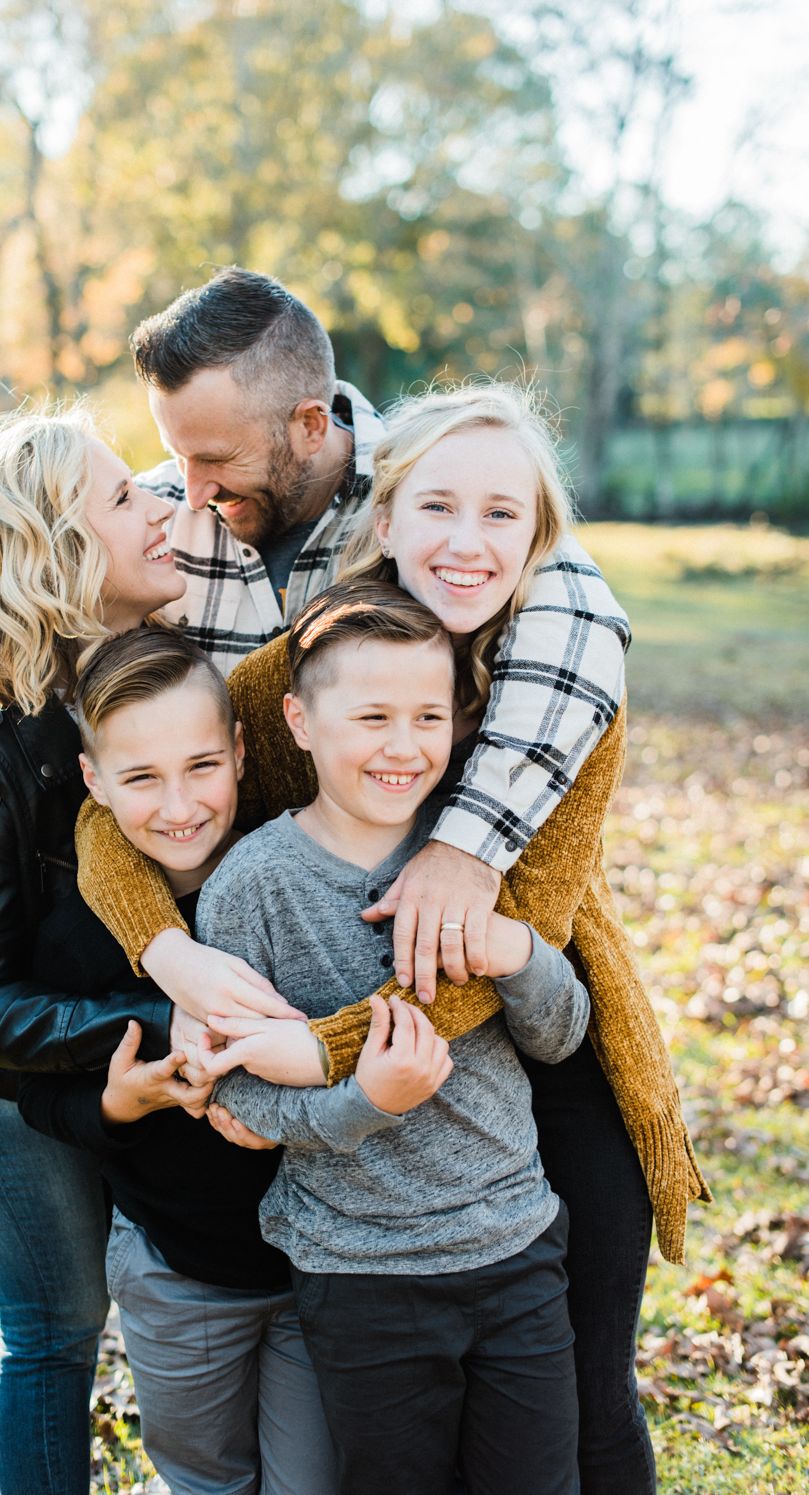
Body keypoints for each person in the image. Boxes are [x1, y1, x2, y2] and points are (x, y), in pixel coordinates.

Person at [76, 383, 710, 1495]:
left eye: (502, 518)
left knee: (584, 1403)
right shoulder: (312, 672)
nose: (466, 545)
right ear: (385, 517)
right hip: (369, 1183)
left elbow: (510, 940)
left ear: (537, 538)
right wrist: (169, 956)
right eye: (436, 510)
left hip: (549, 1056)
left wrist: (319, 1049)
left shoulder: (562, 682)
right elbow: (111, 815)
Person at [0, 268, 631, 1010]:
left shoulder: (431, 489)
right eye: (176, 454)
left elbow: (580, 621)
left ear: (310, 426)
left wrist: (466, 848)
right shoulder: (159, 515)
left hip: (406, 919)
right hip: (225, 925)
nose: (190, 487)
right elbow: (21, 594)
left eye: (215, 458)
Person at [0, 405, 299, 1495]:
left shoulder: (150, 662)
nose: (162, 504)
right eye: (126, 497)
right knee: (59, 1321)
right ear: (57, 554)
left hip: (101, 1033)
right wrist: (160, 1023)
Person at [198, 581, 589, 1495]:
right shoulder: (252, 888)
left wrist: (514, 948)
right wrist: (363, 1104)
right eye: (371, 716)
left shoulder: (475, 850)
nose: (405, 746)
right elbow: (236, 1092)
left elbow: (563, 1038)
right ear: (298, 720)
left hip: (516, 1247)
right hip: (359, 1273)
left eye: (429, 715)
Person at [16, 627, 338, 1495]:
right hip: (176, 1274)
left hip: (323, 1268)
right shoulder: (80, 934)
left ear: (241, 752)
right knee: (205, 1478)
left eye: (202, 766)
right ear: (93, 783)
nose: (178, 805)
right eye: (139, 779)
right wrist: (124, 1102)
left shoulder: (297, 883)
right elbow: (46, 1103)